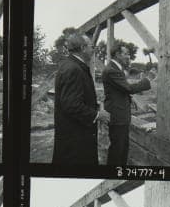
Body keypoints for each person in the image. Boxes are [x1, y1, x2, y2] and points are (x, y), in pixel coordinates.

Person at [52, 31, 110, 166]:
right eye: (91, 47)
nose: (93, 50)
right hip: (75, 140)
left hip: (72, 136)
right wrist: (98, 114)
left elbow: (72, 98)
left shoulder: (71, 65)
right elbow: (71, 105)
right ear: (83, 48)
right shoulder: (74, 69)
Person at [101, 41, 151, 165]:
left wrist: (130, 99)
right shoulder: (112, 70)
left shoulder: (115, 69)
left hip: (119, 114)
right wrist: (147, 79)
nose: (128, 56)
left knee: (121, 148)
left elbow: (120, 90)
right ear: (117, 54)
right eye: (126, 53)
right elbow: (128, 88)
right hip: (118, 116)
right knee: (118, 150)